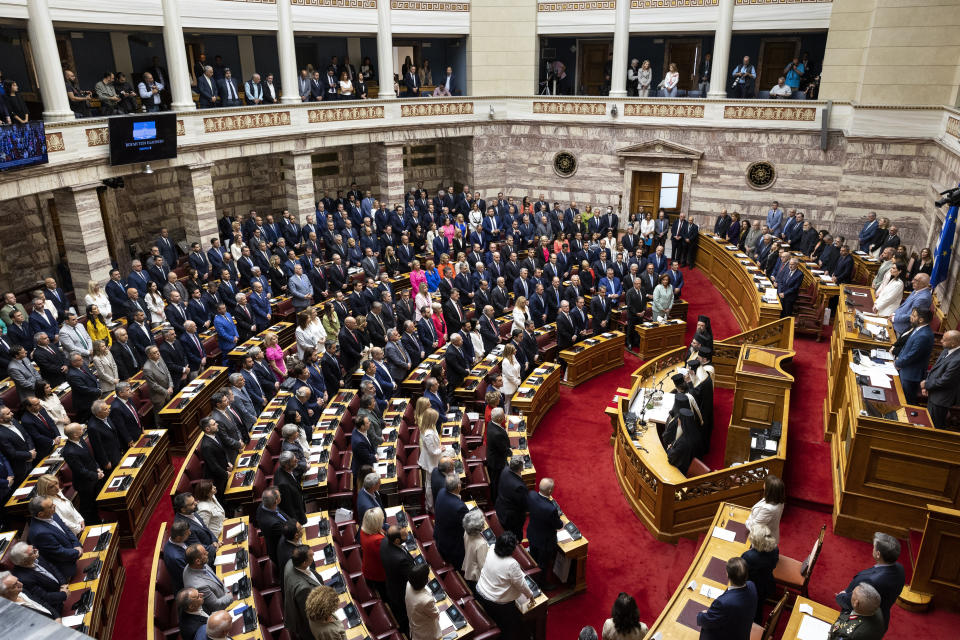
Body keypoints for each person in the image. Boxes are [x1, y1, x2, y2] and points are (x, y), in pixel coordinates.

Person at [835, 532, 906, 635]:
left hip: (861, 622)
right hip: (882, 617)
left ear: (878, 554)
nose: (872, 548)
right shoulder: (900, 568)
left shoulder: (872, 581)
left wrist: (840, 596)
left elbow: (855, 602)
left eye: (874, 547)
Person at [475, 532, 536, 640]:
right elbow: (521, 585)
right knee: (510, 626)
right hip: (498, 602)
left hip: (481, 592)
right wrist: (530, 595)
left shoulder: (492, 548)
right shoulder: (511, 564)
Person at [696, 557, 757, 640]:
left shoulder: (723, 603)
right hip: (743, 632)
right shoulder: (752, 585)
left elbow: (706, 621)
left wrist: (702, 614)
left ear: (727, 574)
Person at [26, 495, 82, 580]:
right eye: (51, 506)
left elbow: (67, 530)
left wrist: (77, 545)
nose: (55, 506)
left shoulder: (52, 514)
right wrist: (77, 552)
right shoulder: (40, 533)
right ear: (41, 514)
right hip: (67, 567)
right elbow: (59, 553)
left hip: (74, 553)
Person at [921, 329, 960, 429]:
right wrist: (927, 385)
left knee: (934, 425)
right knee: (929, 420)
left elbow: (946, 380)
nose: (941, 341)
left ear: (953, 343)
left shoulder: (958, 360)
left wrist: (927, 385)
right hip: (934, 390)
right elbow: (934, 369)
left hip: (942, 398)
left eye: (944, 340)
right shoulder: (947, 350)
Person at [895, 308, 934, 405]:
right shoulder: (918, 328)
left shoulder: (924, 335)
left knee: (907, 402)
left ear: (920, 320)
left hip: (911, 375)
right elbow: (906, 347)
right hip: (905, 369)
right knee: (899, 397)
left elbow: (912, 355)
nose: (910, 317)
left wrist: (898, 363)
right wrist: (899, 359)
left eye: (913, 315)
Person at [283, 544, 322, 640]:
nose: (313, 556)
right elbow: (309, 615)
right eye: (311, 556)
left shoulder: (290, 562)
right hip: (309, 627)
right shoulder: (304, 589)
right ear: (304, 563)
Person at [741, 524, 779, 623]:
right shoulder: (775, 548)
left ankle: (756, 622)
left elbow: (741, 574)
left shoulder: (748, 556)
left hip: (753, 589)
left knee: (757, 610)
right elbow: (774, 565)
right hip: (768, 583)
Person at [381, 525, 415, 635]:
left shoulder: (385, 541)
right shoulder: (400, 560)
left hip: (391, 583)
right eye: (405, 536)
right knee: (405, 614)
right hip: (401, 591)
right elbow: (411, 577)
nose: (408, 536)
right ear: (396, 541)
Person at [434, 474, 469, 569]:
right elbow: (469, 525)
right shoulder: (459, 507)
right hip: (453, 547)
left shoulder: (441, 492)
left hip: (440, 537)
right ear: (459, 486)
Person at [746, 474, 785, 544]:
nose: (763, 485)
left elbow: (754, 527)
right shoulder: (779, 500)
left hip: (762, 541)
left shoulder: (768, 509)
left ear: (769, 490)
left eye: (765, 484)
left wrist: (747, 520)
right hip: (771, 533)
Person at [496, 456, 529, 540]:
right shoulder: (519, 487)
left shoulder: (505, 470)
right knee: (516, 537)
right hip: (512, 518)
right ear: (521, 467)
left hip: (500, 507)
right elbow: (525, 505)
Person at [406, 562, 441, 640]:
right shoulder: (426, 601)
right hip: (427, 634)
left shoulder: (408, 584)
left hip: (415, 624)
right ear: (425, 580)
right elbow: (435, 614)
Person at [360, 507, 387, 599]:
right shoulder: (378, 540)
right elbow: (387, 556)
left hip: (368, 568)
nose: (383, 520)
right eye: (381, 519)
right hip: (378, 575)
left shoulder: (364, 530)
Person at [462, 509, 489, 593]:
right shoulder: (481, 544)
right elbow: (483, 566)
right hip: (475, 576)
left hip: (467, 566)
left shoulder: (466, 532)